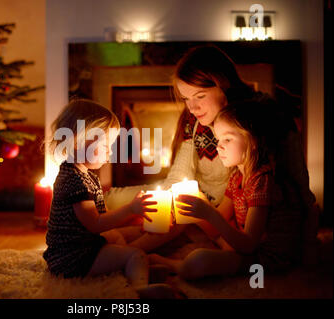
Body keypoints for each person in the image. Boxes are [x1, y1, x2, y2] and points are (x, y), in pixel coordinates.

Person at [104, 45, 318, 258]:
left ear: (223, 84)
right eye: (186, 99)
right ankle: (102, 231)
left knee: (167, 213)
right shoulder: (194, 120)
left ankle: (126, 252)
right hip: (196, 195)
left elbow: (297, 179)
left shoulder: (255, 121)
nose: (192, 108)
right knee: (124, 202)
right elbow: (179, 172)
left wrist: (308, 237)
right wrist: (162, 199)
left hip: (221, 209)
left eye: (199, 96)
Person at [149, 100, 305, 278]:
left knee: (199, 260)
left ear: (253, 141)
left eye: (227, 139)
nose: (218, 146)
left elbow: (249, 245)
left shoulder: (262, 181)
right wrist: (195, 209)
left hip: (266, 258)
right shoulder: (236, 178)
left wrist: (208, 213)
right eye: (218, 139)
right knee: (199, 233)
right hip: (248, 248)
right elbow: (219, 223)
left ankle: (174, 266)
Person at [43, 99, 176, 298]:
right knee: (134, 253)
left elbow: (102, 217)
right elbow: (95, 224)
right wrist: (130, 209)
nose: (110, 151)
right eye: (105, 145)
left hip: (84, 244)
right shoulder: (73, 181)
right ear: (79, 140)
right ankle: (139, 290)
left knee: (129, 234)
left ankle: (135, 267)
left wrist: (133, 217)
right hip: (73, 257)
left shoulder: (84, 175)